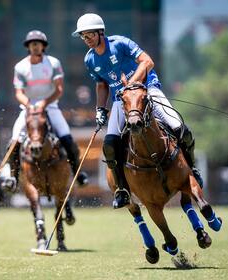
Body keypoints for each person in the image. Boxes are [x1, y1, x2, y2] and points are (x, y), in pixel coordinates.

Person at [73, 13, 203, 209]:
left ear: (100, 32)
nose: (86, 40)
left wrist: (132, 85)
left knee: (180, 128)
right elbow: (101, 84)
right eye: (83, 36)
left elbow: (147, 62)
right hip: (122, 101)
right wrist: (100, 109)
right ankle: (123, 191)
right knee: (110, 144)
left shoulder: (120, 44)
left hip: (148, 90)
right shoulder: (90, 59)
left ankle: (192, 170)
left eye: (89, 35)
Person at [5, 30, 88, 189]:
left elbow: (59, 90)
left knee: (68, 140)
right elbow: (18, 93)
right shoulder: (20, 67)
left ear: (43, 46)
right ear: (28, 46)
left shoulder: (53, 63)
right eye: (32, 44)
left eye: (38, 43)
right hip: (28, 109)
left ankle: (78, 173)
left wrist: (44, 102)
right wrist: (29, 105)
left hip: (50, 107)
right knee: (13, 143)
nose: (35, 46)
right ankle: (13, 177)